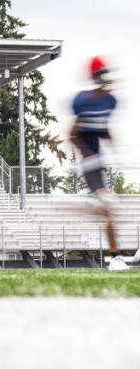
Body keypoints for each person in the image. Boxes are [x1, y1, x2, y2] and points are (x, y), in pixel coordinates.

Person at [70, 56, 128, 271]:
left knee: (109, 209)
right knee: (110, 208)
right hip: (89, 164)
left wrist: (114, 145)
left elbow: (101, 129)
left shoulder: (110, 101)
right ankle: (115, 258)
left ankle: (82, 206)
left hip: (98, 162)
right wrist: (88, 156)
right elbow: (72, 135)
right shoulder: (84, 101)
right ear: (95, 77)